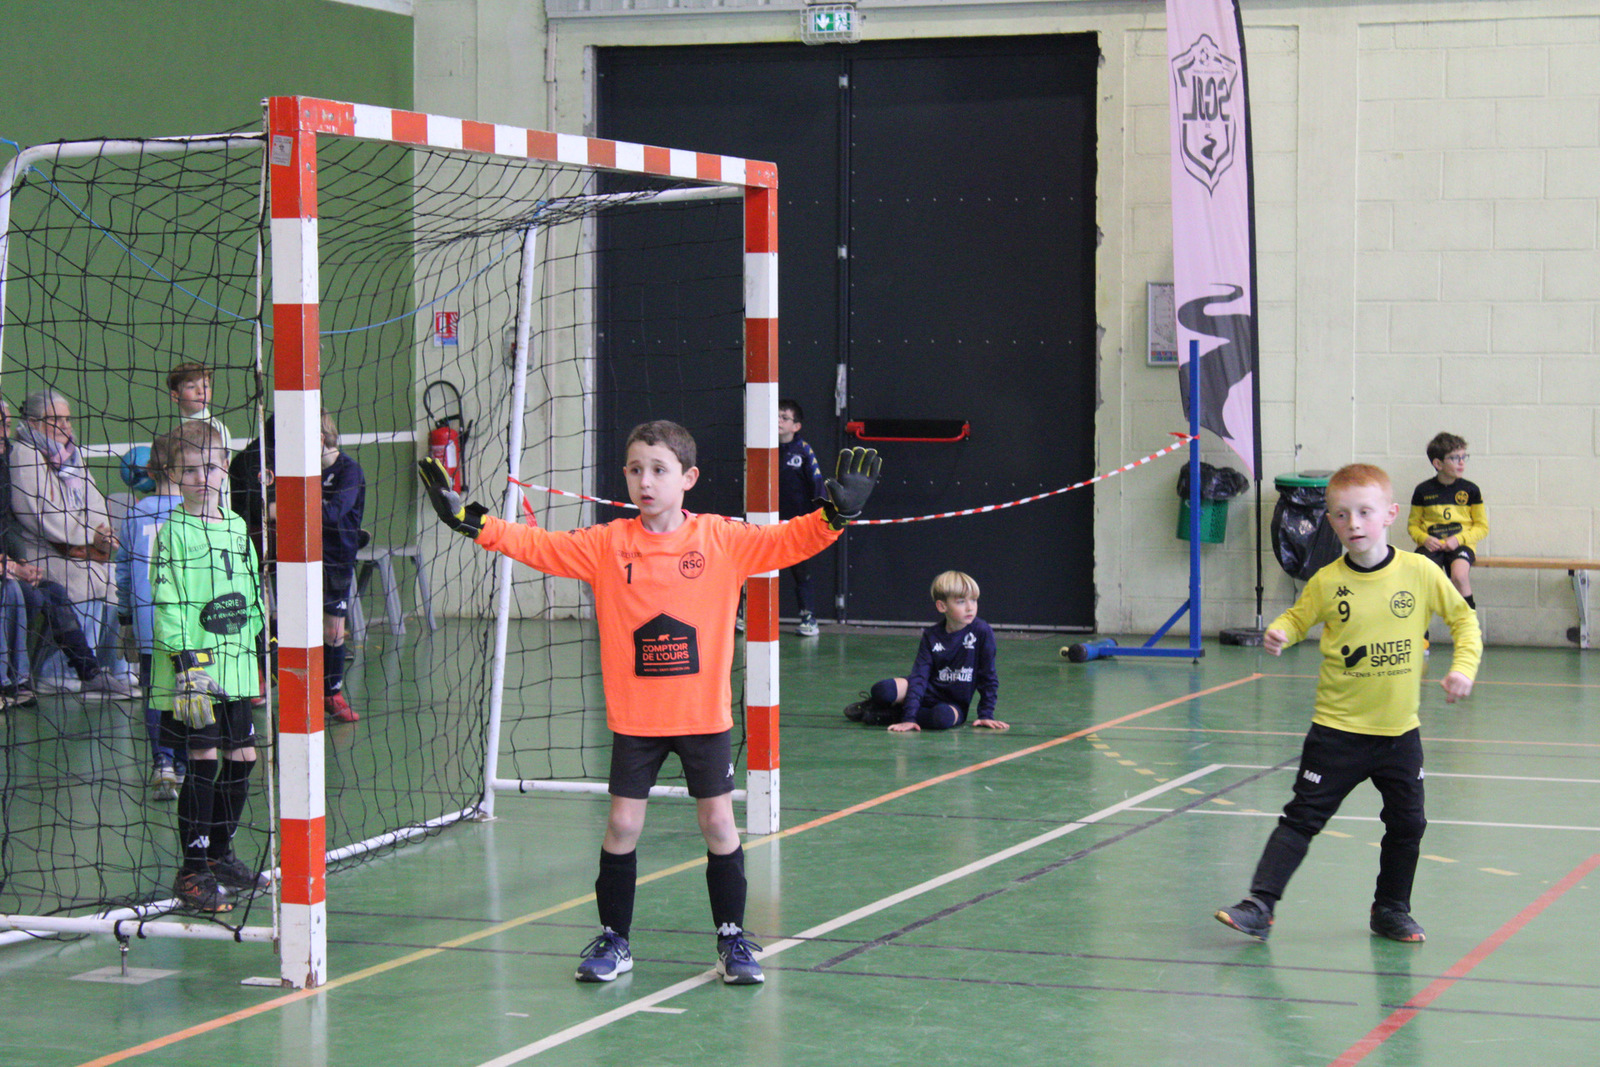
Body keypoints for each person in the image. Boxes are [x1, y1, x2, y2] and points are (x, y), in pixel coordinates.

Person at [418, 421, 880, 985]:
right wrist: (472, 522)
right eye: (636, 469)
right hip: (636, 720)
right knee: (621, 824)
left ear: (689, 478)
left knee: (719, 823)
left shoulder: (722, 539)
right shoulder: (606, 544)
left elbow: (788, 541)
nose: (646, 481)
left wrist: (836, 515)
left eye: (659, 470)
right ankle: (615, 940)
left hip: (701, 717)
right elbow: (537, 545)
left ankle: (732, 941)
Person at [1215, 463, 1481, 944]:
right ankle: (1259, 905)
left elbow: (1465, 623)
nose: (1353, 524)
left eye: (1364, 512)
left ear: (1390, 514)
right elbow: (1298, 617)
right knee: (1301, 818)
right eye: (1341, 515)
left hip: (1399, 734)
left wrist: (1463, 668)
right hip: (1336, 732)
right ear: (1330, 521)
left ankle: (1391, 909)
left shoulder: (1419, 572)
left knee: (1408, 824)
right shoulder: (1326, 581)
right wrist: (1282, 631)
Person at [152, 421, 268, 912]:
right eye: (189, 471)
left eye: (209, 467)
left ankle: (219, 855)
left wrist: (260, 643)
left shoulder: (238, 526)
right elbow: (166, 603)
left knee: (243, 758)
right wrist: (185, 661)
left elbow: (252, 591)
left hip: (236, 668)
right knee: (202, 760)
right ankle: (192, 870)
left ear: (224, 468)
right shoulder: (172, 532)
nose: (202, 478)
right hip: (194, 672)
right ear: (174, 476)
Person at [8, 390, 135, 698]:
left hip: (80, 548)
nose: (65, 426)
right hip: (39, 551)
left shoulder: (70, 455)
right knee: (83, 578)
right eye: (56, 419)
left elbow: (95, 504)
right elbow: (40, 516)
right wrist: (90, 538)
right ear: (33, 422)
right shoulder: (23, 454)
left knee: (115, 579)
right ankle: (57, 672)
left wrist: (99, 534)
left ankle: (112, 668)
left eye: (67, 419)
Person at [843, 570, 1008, 732]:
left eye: (973, 600)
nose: (970, 608)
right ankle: (876, 706)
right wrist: (909, 718)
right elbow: (919, 676)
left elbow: (988, 675)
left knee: (941, 718)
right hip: (926, 690)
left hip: (953, 704)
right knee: (883, 690)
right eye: (961, 602)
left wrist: (986, 714)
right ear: (942, 606)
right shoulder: (931, 635)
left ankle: (890, 715)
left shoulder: (982, 631)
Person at [116, 430, 188, 800]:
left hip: (148, 623)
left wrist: (126, 618)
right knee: (189, 690)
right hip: (189, 626)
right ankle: (186, 763)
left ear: (149, 471)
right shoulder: (195, 513)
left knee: (155, 693)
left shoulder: (135, 514)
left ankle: (162, 763)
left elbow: (124, 573)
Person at [319, 411, 365, 724]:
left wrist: (287, 508)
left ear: (320, 438)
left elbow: (333, 513)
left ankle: (332, 693)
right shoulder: (303, 471)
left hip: (337, 558)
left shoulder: (349, 471)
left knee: (334, 630)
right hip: (303, 558)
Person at [1407, 433, 1486, 609]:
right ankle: (1422, 626)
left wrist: (1458, 539)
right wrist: (1424, 539)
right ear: (1438, 464)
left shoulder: (1471, 490)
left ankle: (1469, 623)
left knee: (1459, 576)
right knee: (1423, 577)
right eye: (1455, 458)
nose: (1462, 462)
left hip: (1461, 545)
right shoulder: (1423, 490)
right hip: (1431, 545)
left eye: (1464, 457)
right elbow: (1413, 526)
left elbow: (1482, 527)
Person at [778, 399, 826, 636]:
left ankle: (808, 618)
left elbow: (817, 485)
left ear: (796, 426)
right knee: (753, 568)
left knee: (800, 571)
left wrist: (821, 517)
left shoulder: (804, 451)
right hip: (766, 524)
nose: (778, 421)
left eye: (784, 418)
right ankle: (745, 616)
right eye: (775, 416)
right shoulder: (761, 447)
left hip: (796, 525)